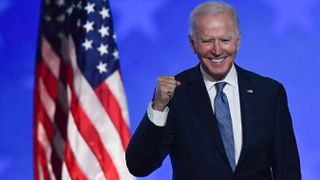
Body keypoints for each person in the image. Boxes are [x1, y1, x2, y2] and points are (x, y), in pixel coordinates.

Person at [125, 1, 301, 179]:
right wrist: (158, 107)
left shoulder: (269, 93)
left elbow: (287, 171)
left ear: (237, 41)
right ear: (193, 44)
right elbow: (139, 166)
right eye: (207, 41)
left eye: (225, 40)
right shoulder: (175, 94)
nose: (217, 50)